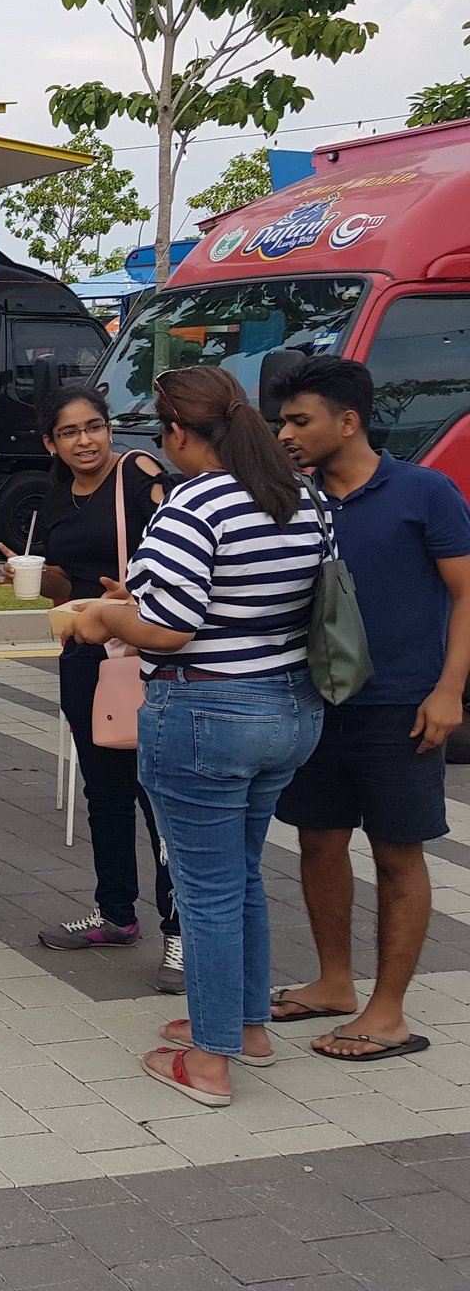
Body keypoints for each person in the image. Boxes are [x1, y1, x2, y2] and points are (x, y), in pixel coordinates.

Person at [72, 366, 328, 1106]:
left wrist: (105, 616)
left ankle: (210, 1061)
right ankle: (246, 1026)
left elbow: (170, 628)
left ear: (180, 431)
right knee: (241, 876)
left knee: (206, 892)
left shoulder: (192, 504)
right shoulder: (302, 495)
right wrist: (143, 602)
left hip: (206, 715)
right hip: (290, 707)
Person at [268, 356, 470, 1061]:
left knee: (396, 853)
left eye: (300, 421)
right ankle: (333, 983)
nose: (285, 434)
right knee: (318, 841)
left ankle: (388, 1013)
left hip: (401, 707)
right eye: (282, 421)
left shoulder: (425, 492)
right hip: (315, 700)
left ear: (348, 421)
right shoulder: (295, 500)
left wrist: (449, 690)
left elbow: (467, 593)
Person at [9, 383, 180, 991]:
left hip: (140, 653)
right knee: (104, 792)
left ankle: (181, 930)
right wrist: (34, 576)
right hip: (85, 659)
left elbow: (179, 553)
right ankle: (115, 914)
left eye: (94, 427)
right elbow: (68, 582)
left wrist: (135, 595)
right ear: (49, 443)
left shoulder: (138, 474)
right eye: (70, 432)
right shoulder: (56, 499)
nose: (85, 441)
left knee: (159, 797)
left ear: (109, 429)